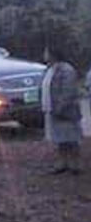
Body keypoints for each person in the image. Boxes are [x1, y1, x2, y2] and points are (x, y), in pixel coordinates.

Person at [41, 45, 82, 174]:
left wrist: (60, 107)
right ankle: (62, 163)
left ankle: (75, 165)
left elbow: (68, 91)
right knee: (59, 139)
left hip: (66, 112)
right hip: (52, 109)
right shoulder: (50, 69)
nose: (44, 55)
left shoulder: (66, 70)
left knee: (71, 138)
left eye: (46, 52)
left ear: (54, 54)